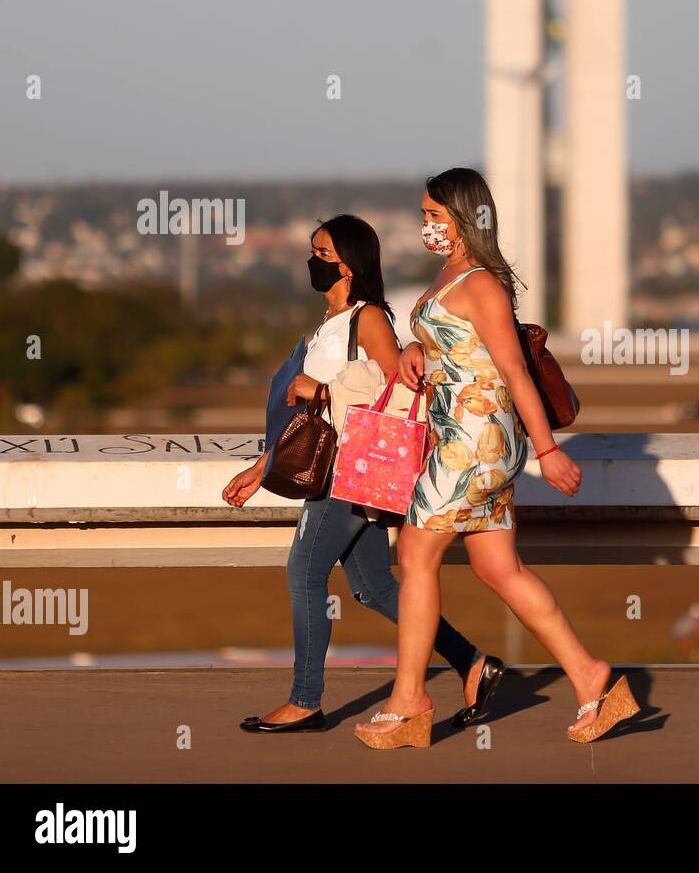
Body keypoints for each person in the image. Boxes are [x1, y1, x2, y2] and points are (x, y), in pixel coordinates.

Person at [354, 168, 638, 749]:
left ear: (465, 218)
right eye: (425, 214)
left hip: (474, 443)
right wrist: (414, 349)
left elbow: (513, 371)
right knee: (497, 569)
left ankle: (409, 703)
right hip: (461, 438)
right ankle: (593, 680)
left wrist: (549, 450)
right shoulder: (450, 275)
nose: (426, 225)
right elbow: (455, 345)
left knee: (414, 551)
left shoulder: (482, 283)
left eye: (436, 215)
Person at [221, 214, 504, 733]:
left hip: (353, 468)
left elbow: (401, 388)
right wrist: (263, 468)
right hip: (335, 465)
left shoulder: (367, 318)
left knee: (304, 571)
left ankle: (306, 700)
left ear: (347, 266)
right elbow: (308, 418)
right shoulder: (326, 328)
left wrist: (324, 390)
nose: (312, 261)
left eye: (322, 253)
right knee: (374, 587)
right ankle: (472, 662)